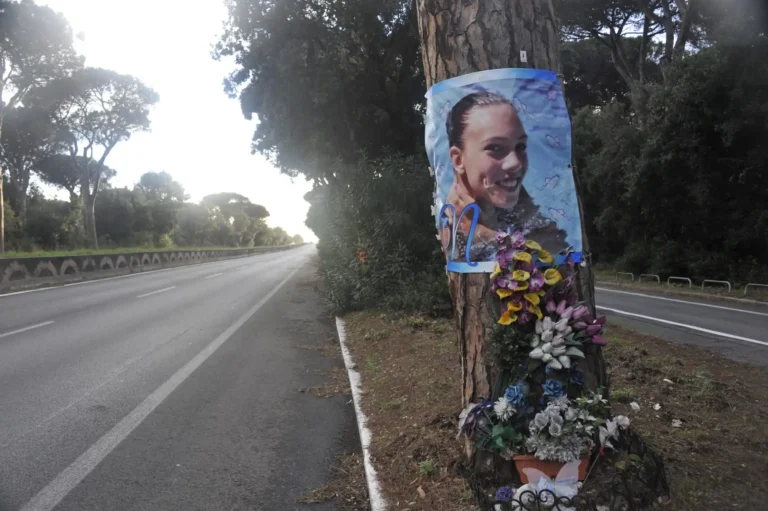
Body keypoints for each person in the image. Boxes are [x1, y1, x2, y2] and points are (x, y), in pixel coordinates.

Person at [441, 91, 567, 262]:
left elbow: (555, 254)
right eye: (495, 147)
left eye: (520, 146)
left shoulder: (533, 219)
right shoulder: (448, 229)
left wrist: (484, 235)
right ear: (458, 159)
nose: (515, 163)